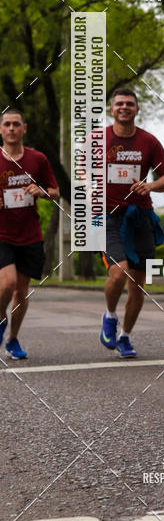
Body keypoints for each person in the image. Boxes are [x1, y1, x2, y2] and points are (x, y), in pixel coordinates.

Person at [99, 88, 164, 358]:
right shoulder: (97, 139)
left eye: (129, 104)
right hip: (108, 216)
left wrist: (151, 185)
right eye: (119, 103)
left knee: (137, 284)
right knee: (119, 273)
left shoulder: (149, 141)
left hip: (140, 217)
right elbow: (82, 169)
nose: (124, 107)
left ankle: (126, 337)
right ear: (111, 109)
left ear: (136, 109)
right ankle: (109, 315)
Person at [0, 108, 60, 359]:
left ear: (25, 128)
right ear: (0, 130)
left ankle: (13, 339)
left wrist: (42, 192)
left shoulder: (38, 159)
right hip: (2, 233)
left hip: (30, 234)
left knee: (20, 292)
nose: (12, 128)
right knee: (8, 282)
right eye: (7, 124)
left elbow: (55, 192)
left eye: (16, 124)